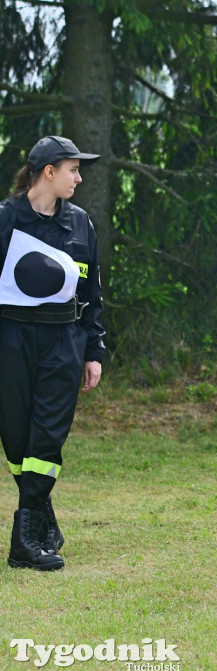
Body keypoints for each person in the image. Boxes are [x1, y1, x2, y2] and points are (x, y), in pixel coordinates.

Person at [1, 135, 106, 571]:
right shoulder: (5, 220)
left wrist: (94, 350)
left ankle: (24, 542)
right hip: (11, 340)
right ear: (49, 172)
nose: (78, 179)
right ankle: (42, 521)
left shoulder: (80, 223)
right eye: (73, 170)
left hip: (64, 342)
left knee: (47, 436)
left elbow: (93, 292)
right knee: (17, 437)